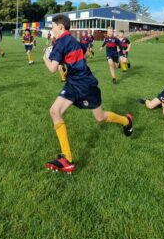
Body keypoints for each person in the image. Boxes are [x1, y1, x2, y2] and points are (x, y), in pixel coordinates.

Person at [43, 15, 134, 174]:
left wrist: (45, 56)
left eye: (53, 27)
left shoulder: (60, 42)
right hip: (75, 82)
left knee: (100, 117)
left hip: (85, 84)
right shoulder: (72, 39)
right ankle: (67, 159)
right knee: (54, 111)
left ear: (61, 27)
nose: (52, 30)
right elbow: (85, 54)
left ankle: (127, 121)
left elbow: (52, 69)